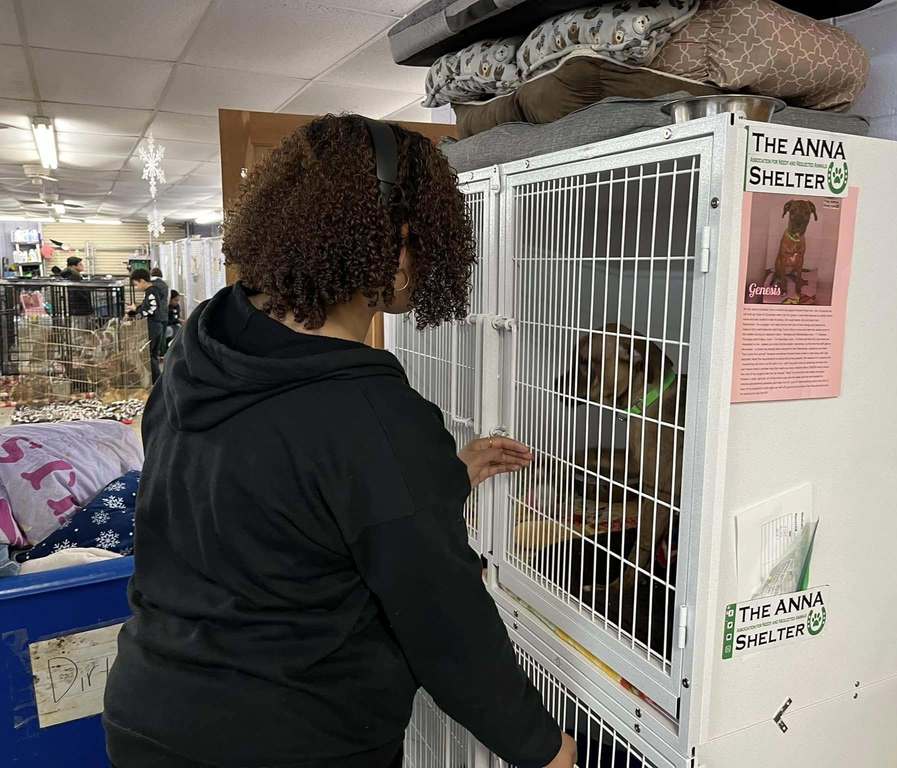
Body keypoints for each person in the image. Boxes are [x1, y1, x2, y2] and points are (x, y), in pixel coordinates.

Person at [103, 114, 575, 768]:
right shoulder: (371, 416)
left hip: (149, 709)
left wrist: (429, 482)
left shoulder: (205, 346)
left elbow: (270, 492)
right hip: (283, 739)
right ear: (397, 240)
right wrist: (544, 748)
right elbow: (446, 627)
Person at [125, 268, 163, 384]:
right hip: (155, 326)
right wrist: (136, 309)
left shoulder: (151, 292)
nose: (136, 288)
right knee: (151, 354)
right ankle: (156, 380)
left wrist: (138, 313)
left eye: (136, 284)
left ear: (142, 281)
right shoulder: (151, 292)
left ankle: (157, 380)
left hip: (153, 326)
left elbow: (152, 309)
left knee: (146, 354)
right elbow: (147, 307)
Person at [163, 289, 181, 353]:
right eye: (175, 300)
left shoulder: (177, 306)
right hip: (167, 326)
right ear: (170, 299)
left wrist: (178, 321)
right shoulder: (165, 307)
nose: (177, 302)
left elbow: (177, 317)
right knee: (170, 330)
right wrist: (178, 321)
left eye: (178, 300)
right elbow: (168, 321)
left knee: (179, 329)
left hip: (174, 325)